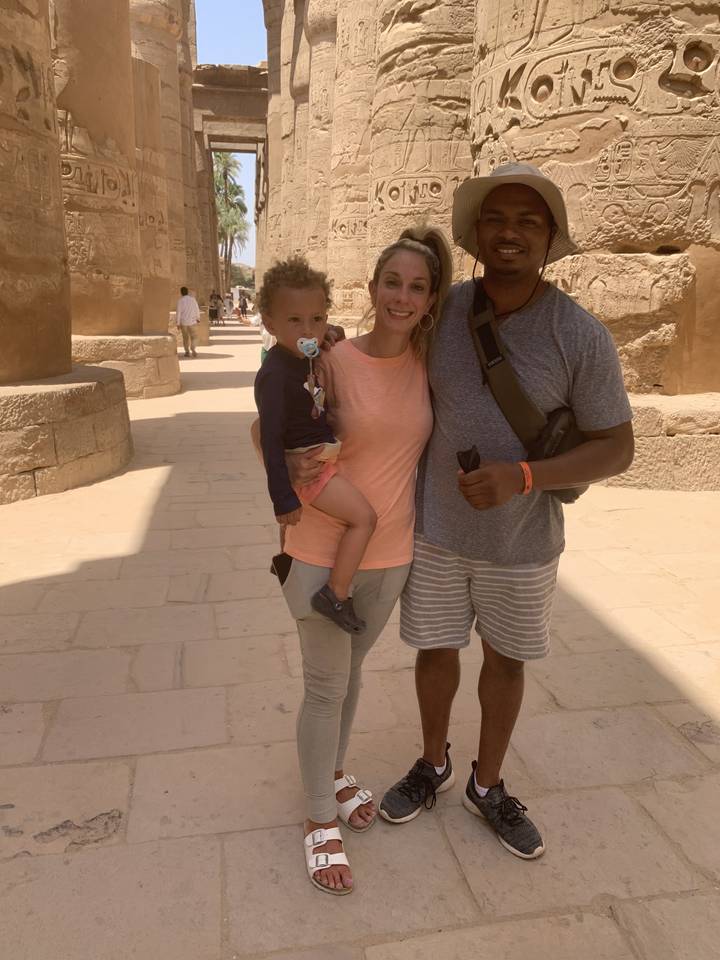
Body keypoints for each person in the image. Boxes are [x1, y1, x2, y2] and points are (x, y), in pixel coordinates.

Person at [378, 163, 635, 860]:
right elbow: (386, 362)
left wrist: (524, 476)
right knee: (435, 651)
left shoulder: (580, 336)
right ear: (475, 234)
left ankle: (486, 785)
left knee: (507, 661)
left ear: (551, 238)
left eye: (529, 220)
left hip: (522, 543)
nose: (511, 232)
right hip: (436, 531)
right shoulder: (445, 309)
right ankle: (432, 763)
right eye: (497, 218)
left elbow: (617, 447)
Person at [252, 228, 451, 895]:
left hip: (389, 554)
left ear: (429, 299)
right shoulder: (331, 358)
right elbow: (265, 426)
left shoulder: (430, 363)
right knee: (324, 687)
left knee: (353, 673)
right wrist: (289, 480)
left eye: (417, 286)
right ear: (372, 289)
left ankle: (331, 771)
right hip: (318, 549)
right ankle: (316, 820)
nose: (402, 296)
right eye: (391, 282)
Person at [254, 255, 378, 633]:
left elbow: (318, 334)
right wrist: (283, 498)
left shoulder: (303, 352)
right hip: (308, 468)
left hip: (321, 457)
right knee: (364, 519)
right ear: (270, 323)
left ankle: (291, 563)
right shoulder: (273, 375)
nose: (308, 329)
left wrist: (330, 332)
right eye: (295, 320)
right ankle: (335, 594)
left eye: (317, 318)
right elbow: (271, 441)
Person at [176, 285, 200, 358]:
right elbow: (197, 309)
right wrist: (198, 318)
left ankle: (187, 351)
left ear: (181, 293)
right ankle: (193, 348)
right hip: (192, 321)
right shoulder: (193, 300)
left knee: (185, 338)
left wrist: (178, 323)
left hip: (184, 322)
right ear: (187, 292)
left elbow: (178, 312)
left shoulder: (180, 301)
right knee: (194, 336)